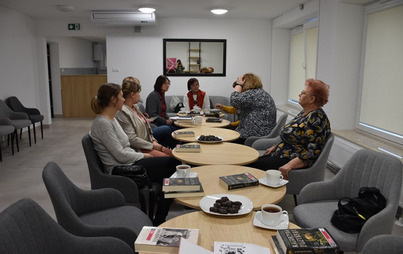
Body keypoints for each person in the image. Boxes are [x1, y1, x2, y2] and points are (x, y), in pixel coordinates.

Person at [89, 83, 180, 225]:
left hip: (129, 161)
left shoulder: (111, 119)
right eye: (120, 96)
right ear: (113, 99)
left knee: (170, 167)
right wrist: (144, 155)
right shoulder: (103, 124)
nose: (123, 99)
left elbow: (124, 148)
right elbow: (120, 155)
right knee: (173, 164)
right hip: (122, 168)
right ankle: (160, 218)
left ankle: (160, 216)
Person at [248, 78, 331, 180]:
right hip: (283, 154)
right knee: (250, 163)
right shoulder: (305, 112)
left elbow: (312, 152)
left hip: (290, 159)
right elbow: (295, 137)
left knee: (249, 167)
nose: (299, 95)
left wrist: (290, 165)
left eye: (303, 93)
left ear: (312, 99)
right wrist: (276, 146)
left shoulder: (316, 119)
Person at [115, 77, 176, 154]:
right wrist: (153, 145)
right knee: (168, 129)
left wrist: (154, 142)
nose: (140, 96)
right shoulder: (123, 112)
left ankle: (176, 149)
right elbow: (133, 138)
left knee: (173, 129)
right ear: (132, 94)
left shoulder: (135, 107)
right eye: (138, 92)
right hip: (143, 144)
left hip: (147, 138)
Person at [230, 73, 276, 144]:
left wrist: (238, 85)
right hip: (263, 132)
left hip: (254, 135)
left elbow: (233, 100)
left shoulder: (252, 94)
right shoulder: (261, 93)